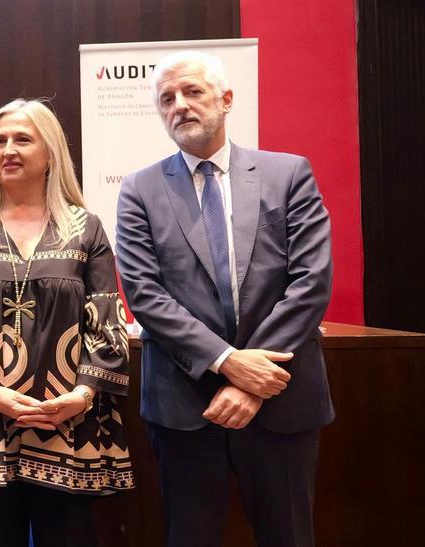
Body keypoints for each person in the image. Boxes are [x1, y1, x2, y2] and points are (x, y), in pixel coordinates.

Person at [115, 51, 334, 547]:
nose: (180, 106)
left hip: (282, 397)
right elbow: (146, 295)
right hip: (186, 407)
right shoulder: (139, 190)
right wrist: (229, 363)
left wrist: (255, 380)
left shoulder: (289, 174)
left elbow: (311, 283)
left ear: (226, 99)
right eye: (167, 98)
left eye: (192, 92)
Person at [0, 98, 133, 547]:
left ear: (50, 153)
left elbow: (108, 318)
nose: (8, 150)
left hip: (68, 421)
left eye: (22, 139)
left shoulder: (86, 228)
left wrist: (82, 395)